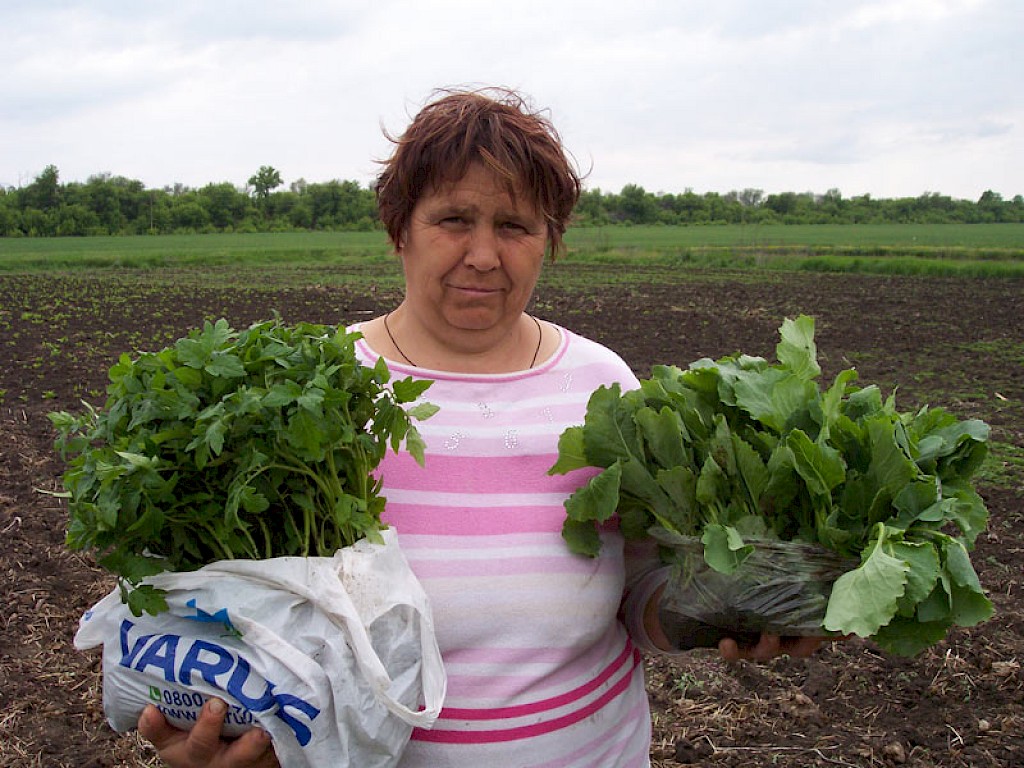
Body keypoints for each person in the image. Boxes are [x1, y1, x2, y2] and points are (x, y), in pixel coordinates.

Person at [138, 86, 822, 768]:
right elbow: (245, 623)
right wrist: (235, 738)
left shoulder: (601, 385)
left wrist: (738, 610)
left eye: (515, 226)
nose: (485, 255)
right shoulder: (320, 392)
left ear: (548, 241)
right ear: (399, 230)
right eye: (454, 220)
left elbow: (643, 591)